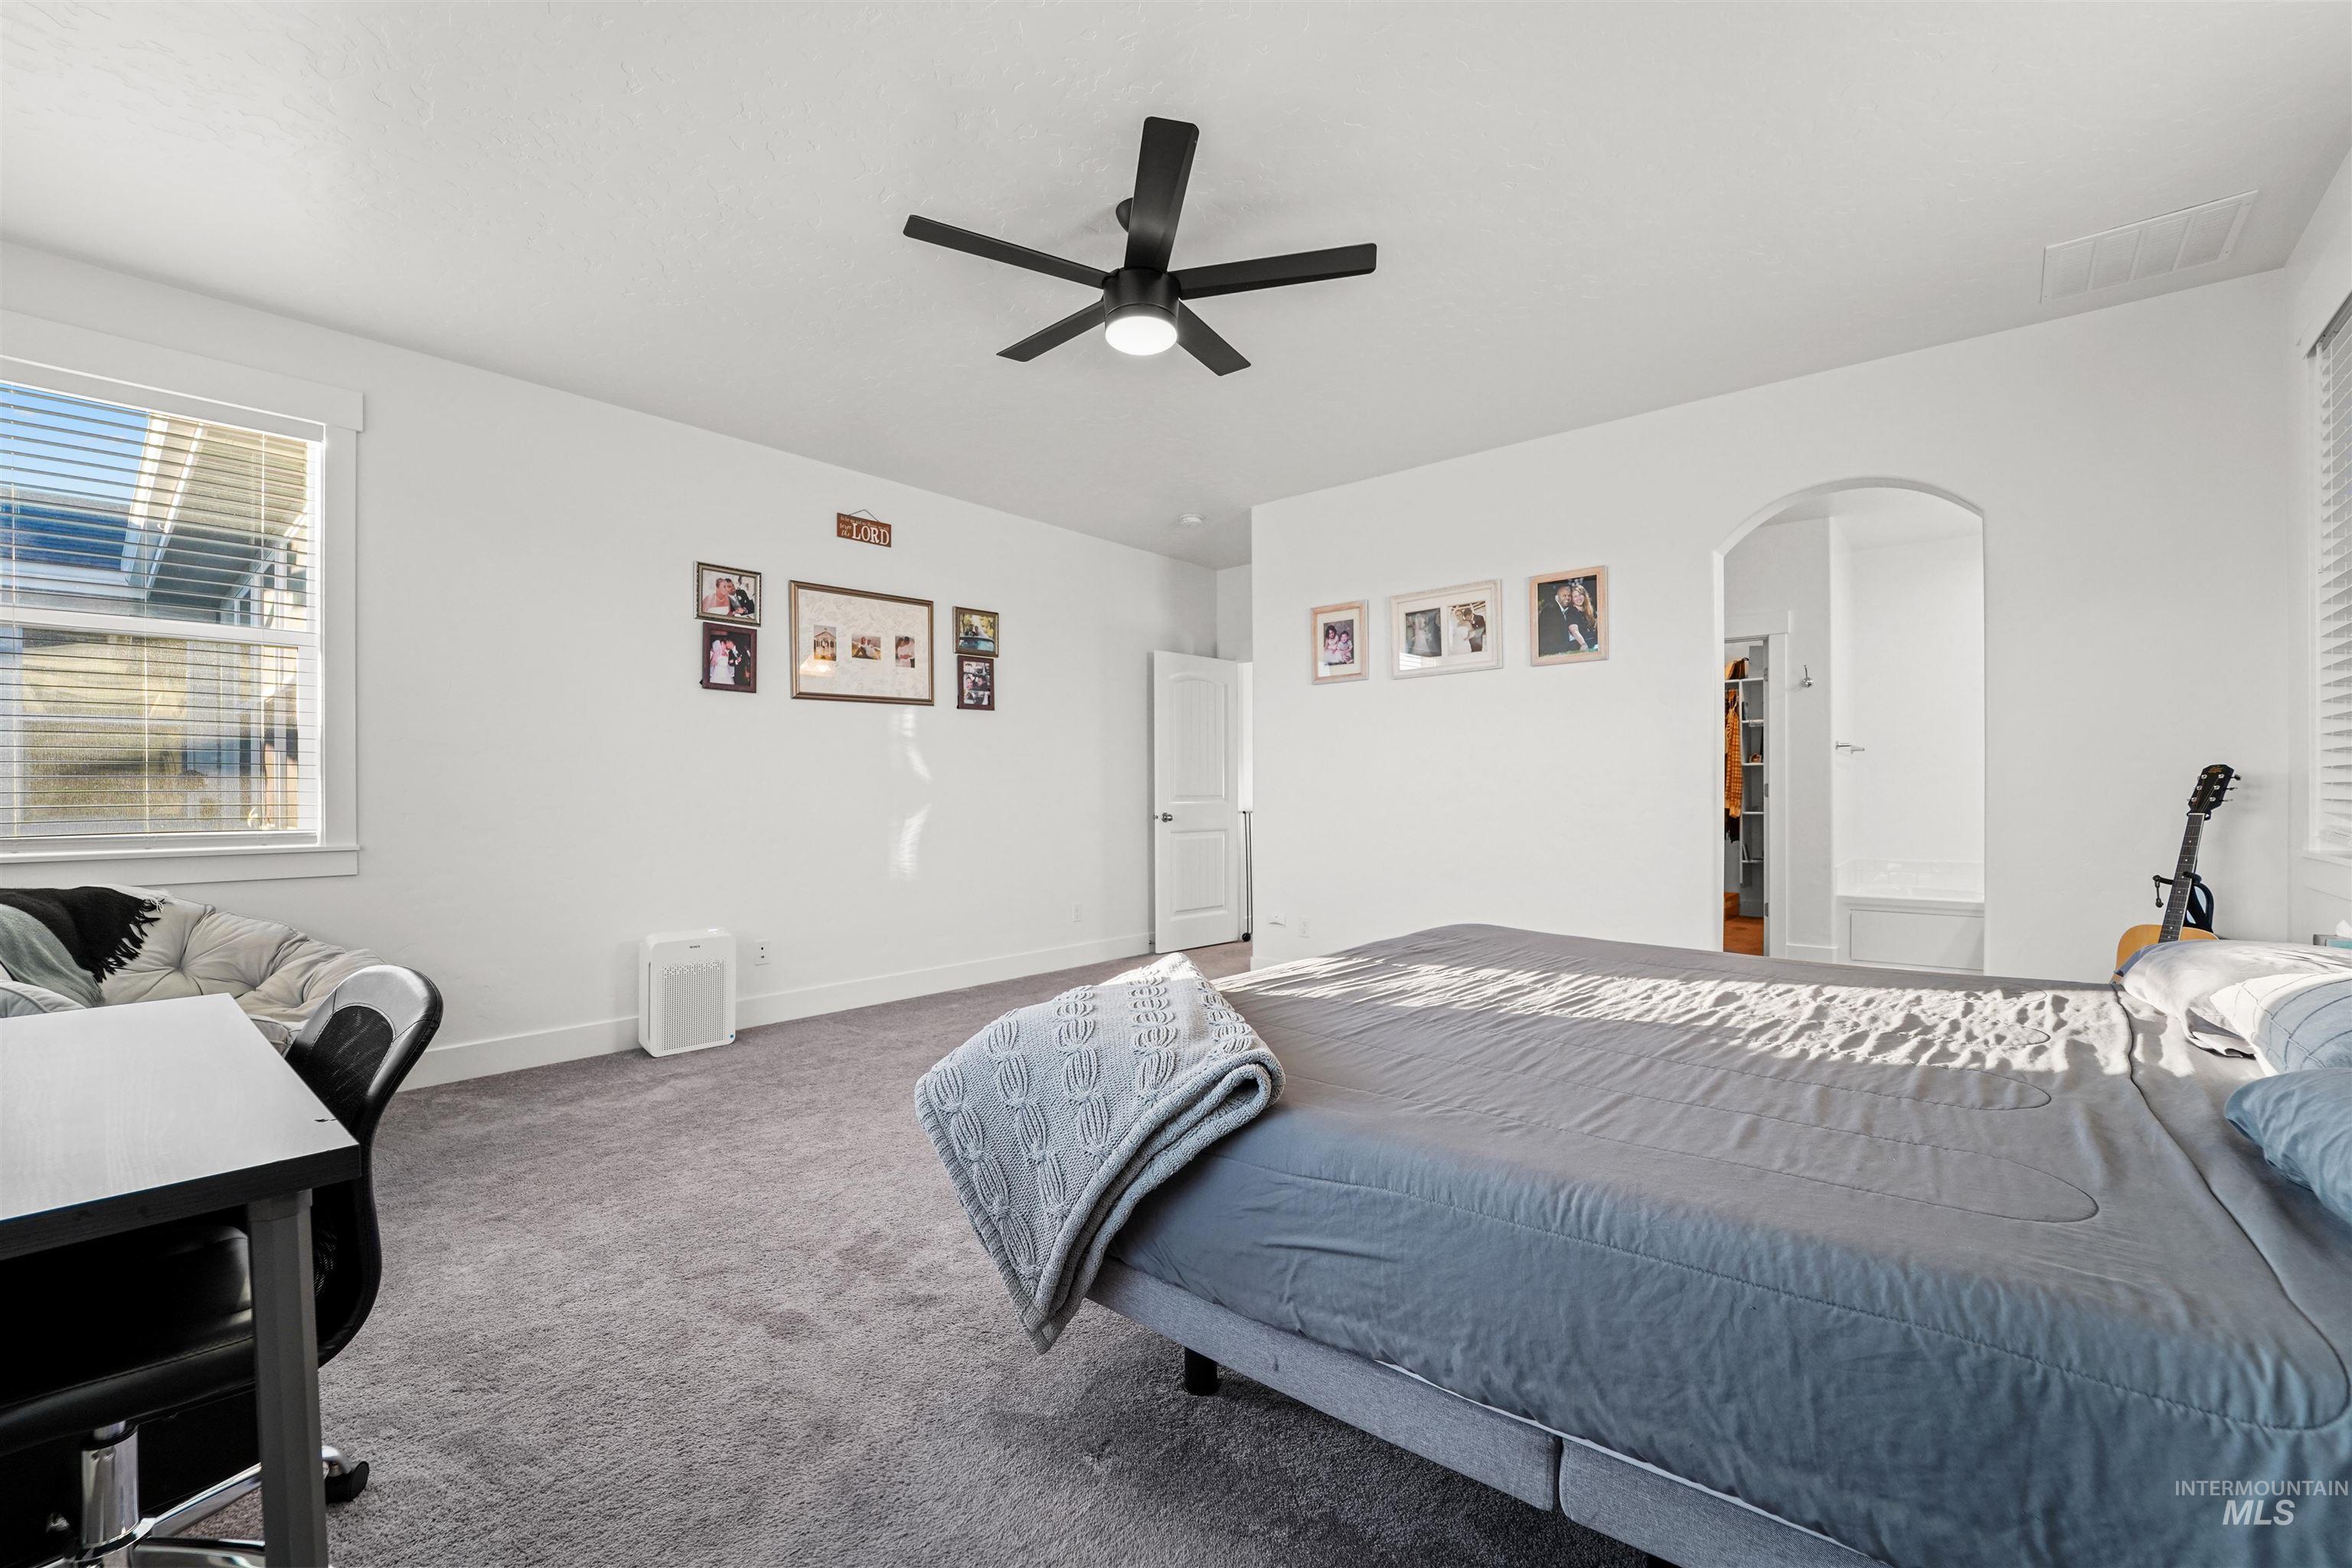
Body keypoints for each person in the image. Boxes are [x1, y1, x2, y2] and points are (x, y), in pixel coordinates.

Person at [1537, 577, 1599, 657]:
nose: (1567, 598)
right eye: (1564, 596)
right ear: (1557, 597)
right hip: (1553, 649)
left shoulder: (1589, 609)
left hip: (1591, 641)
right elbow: (1572, 631)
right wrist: (1582, 644)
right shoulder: (1553, 610)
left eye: (1569, 596)